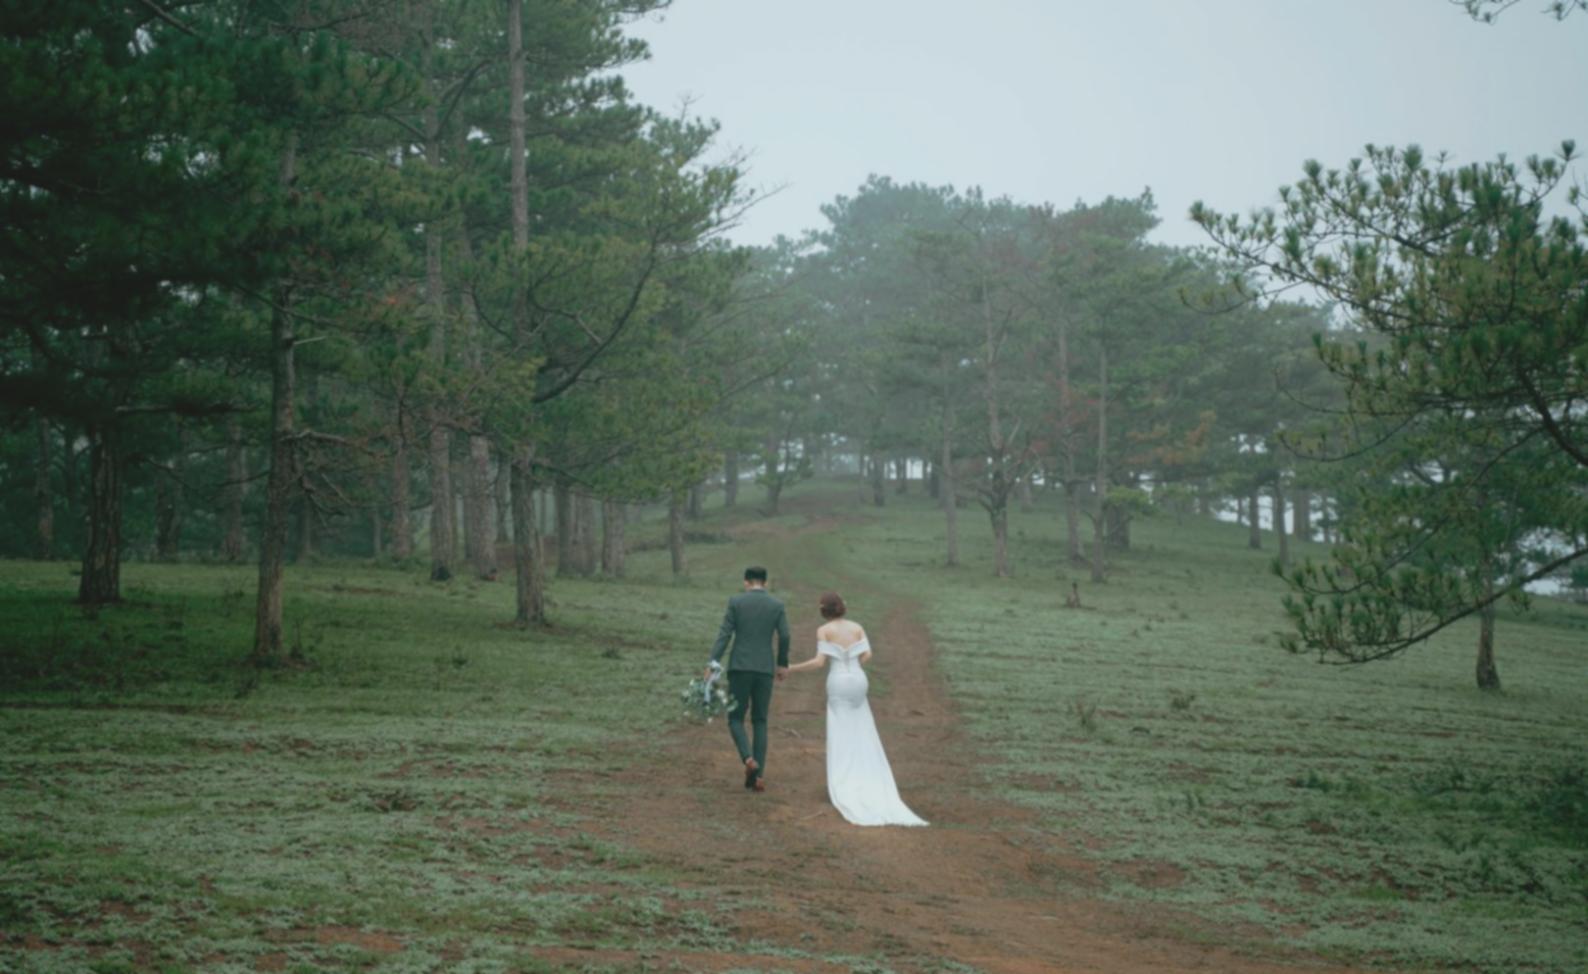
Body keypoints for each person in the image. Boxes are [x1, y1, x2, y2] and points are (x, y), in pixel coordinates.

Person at [786, 591, 927, 826]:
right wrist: (853, 667)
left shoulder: (824, 631)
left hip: (838, 681)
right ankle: (868, 777)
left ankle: (844, 780)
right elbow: (868, 654)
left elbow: (819, 662)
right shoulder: (857, 627)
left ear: (824, 610)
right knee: (863, 726)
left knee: (841, 730)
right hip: (859, 681)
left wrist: (791, 668)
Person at [705, 566, 791, 792]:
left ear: (746, 582)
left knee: (735, 718)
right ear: (765, 583)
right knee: (760, 720)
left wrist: (712, 663)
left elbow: (724, 634)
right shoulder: (777, 605)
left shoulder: (736, 602)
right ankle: (759, 775)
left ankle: (748, 759)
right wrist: (782, 663)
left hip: (740, 667)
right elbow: (785, 634)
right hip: (764, 669)